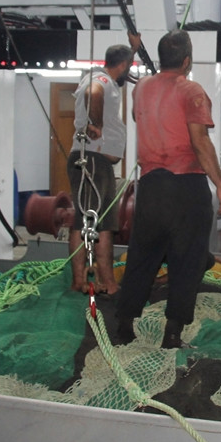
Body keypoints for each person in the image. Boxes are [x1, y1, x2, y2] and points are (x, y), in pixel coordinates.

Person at [115, 30, 221, 349]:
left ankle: (124, 325)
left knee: (142, 257)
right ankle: (172, 334)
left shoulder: (141, 88)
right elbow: (200, 142)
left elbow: (139, 113)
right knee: (188, 259)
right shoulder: (191, 90)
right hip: (186, 187)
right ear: (187, 61)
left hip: (150, 188)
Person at [67, 37, 139, 295]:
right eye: (128, 65)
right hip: (93, 160)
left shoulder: (101, 76)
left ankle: (83, 280)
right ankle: (105, 283)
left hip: (95, 161)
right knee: (100, 224)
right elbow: (93, 93)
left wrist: (134, 48)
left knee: (86, 219)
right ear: (123, 65)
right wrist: (96, 125)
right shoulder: (102, 80)